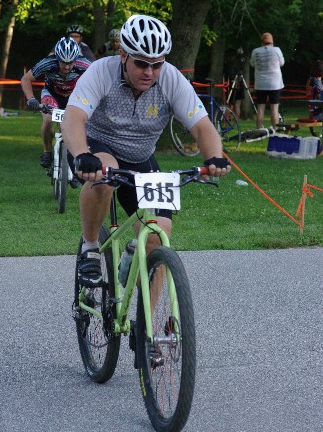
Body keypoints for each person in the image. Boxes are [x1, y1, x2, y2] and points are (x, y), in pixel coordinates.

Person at [61, 14, 231, 288]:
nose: (149, 72)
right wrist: (81, 153)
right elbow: (73, 118)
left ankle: (145, 329)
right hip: (96, 146)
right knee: (104, 176)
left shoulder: (171, 80)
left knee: (158, 233)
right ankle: (90, 247)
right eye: (141, 63)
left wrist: (214, 156)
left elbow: (202, 127)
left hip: (141, 158)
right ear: (123, 55)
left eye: (157, 64)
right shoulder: (101, 72)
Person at [21, 37, 91, 168]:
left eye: (70, 63)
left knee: (80, 124)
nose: (66, 66)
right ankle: (47, 151)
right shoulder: (47, 63)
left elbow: (99, 82)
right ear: (56, 58)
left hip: (74, 96)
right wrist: (31, 98)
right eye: (63, 62)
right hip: (52, 93)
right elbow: (26, 79)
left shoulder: (85, 65)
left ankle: (78, 154)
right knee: (47, 119)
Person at [250, 32, 285, 129]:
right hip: (275, 84)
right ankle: (275, 129)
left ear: (262, 41)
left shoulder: (255, 51)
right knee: (274, 109)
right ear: (272, 41)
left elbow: (252, 64)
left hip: (260, 83)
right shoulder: (277, 50)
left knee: (260, 108)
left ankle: (259, 129)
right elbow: (282, 63)